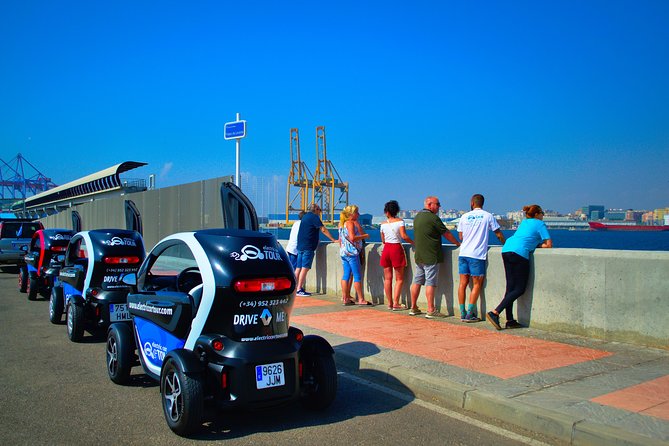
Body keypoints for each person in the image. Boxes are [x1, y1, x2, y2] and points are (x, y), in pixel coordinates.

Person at [486, 204, 552, 330]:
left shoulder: (524, 222)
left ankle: (510, 320)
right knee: (520, 289)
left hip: (507, 249)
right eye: (542, 213)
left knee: (510, 288)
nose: (543, 215)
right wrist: (537, 246)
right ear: (537, 214)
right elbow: (548, 244)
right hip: (520, 253)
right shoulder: (539, 224)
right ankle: (495, 312)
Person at [457, 194, 506, 322]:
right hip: (477, 255)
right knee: (477, 284)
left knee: (462, 284)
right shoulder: (488, 216)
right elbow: (498, 234)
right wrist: (505, 244)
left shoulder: (464, 216)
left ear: (472, 203)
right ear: (482, 203)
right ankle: (470, 314)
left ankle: (462, 313)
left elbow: (461, 237)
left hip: (463, 253)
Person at [409, 196, 461, 318]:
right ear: (429, 204)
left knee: (417, 281)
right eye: (437, 204)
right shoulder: (433, 218)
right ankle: (431, 309)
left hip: (419, 255)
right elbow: (446, 233)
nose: (439, 206)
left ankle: (413, 307)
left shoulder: (417, 217)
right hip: (431, 255)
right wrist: (457, 243)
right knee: (430, 282)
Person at [296, 203, 338, 296]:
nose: (320, 212)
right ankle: (299, 289)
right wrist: (333, 239)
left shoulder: (305, 217)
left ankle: (294, 288)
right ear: (315, 210)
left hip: (300, 245)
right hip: (308, 246)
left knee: (298, 268)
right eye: (319, 209)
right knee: (305, 267)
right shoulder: (314, 217)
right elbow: (323, 229)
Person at [380, 200, 413, 310]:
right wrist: (414, 243)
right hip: (396, 249)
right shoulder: (400, 221)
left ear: (386, 211)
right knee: (399, 279)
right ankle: (396, 303)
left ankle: (389, 303)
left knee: (387, 278)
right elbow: (404, 236)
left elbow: (383, 240)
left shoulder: (383, 224)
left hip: (386, 250)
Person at [338, 205, 371, 305]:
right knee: (357, 276)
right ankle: (361, 299)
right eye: (357, 212)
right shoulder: (350, 223)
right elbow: (352, 238)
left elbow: (341, 239)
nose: (359, 214)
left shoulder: (342, 224)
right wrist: (365, 236)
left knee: (346, 275)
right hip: (352, 253)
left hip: (344, 252)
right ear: (352, 214)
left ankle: (345, 298)